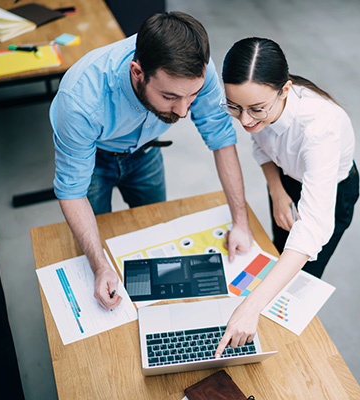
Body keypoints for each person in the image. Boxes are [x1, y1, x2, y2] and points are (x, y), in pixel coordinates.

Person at [50, 12, 253, 310]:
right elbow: (72, 190)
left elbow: (221, 139)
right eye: (170, 97)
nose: (183, 111)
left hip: (145, 152)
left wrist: (241, 221)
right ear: (137, 72)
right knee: (97, 250)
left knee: (155, 235)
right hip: (95, 159)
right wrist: (100, 267)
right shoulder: (80, 100)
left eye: (192, 96)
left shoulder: (200, 69)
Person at [215, 37, 359, 357]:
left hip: (331, 191)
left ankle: (279, 349)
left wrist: (251, 305)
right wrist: (277, 191)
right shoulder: (255, 107)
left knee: (298, 280)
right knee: (277, 253)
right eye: (234, 107)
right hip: (285, 182)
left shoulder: (319, 129)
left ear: (285, 90)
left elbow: (310, 234)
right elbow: (261, 148)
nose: (246, 120)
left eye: (256, 109)